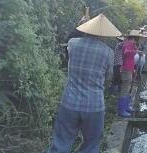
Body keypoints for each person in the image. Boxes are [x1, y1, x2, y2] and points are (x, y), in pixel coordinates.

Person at [48, 14, 121, 153]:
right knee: (91, 145)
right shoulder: (108, 53)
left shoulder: (73, 44)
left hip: (69, 102)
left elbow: (67, 41)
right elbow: (108, 78)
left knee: (62, 142)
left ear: (86, 29)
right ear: (104, 34)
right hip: (94, 105)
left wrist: (79, 26)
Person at [119, 30, 140, 117]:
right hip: (126, 69)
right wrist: (135, 52)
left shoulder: (130, 43)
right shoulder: (129, 43)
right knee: (125, 89)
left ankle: (126, 107)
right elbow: (126, 53)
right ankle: (122, 110)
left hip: (129, 68)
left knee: (128, 88)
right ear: (134, 38)